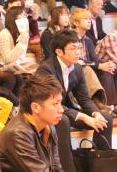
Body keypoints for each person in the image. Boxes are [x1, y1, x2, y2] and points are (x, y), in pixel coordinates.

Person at [35, 29, 113, 172]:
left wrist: (95, 113)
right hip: (47, 112)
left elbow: (83, 98)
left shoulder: (77, 67)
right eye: (73, 48)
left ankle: (100, 165)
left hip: (65, 110)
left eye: (79, 47)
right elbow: (49, 103)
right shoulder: (46, 70)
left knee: (105, 118)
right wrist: (83, 116)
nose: (78, 52)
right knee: (62, 121)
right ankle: (68, 168)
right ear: (59, 52)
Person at [0, 74, 64, 172]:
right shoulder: (18, 133)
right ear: (35, 107)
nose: (61, 110)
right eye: (55, 104)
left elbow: (56, 167)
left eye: (60, 103)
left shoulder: (48, 126)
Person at [70, 8, 115, 107]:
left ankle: (111, 105)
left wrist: (106, 65)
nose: (89, 21)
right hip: (73, 68)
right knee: (96, 70)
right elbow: (78, 60)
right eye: (85, 18)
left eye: (89, 18)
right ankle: (104, 105)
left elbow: (95, 59)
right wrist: (100, 66)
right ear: (76, 23)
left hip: (88, 66)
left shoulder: (88, 40)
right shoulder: (70, 38)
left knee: (110, 69)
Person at [0, 6, 37, 74]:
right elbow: (8, 60)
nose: (26, 18)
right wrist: (21, 42)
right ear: (14, 18)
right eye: (23, 15)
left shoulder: (20, 32)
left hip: (16, 64)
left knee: (37, 67)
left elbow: (21, 57)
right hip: (5, 66)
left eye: (26, 15)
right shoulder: (4, 33)